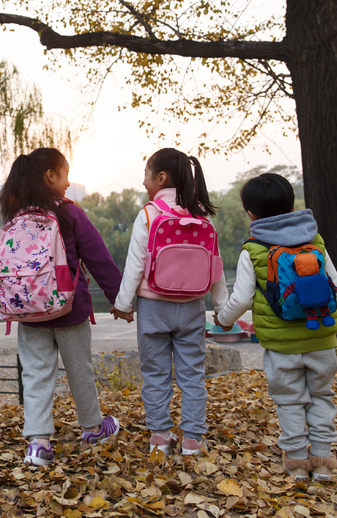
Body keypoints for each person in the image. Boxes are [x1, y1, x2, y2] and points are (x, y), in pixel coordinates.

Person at [213, 173, 337, 483]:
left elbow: (240, 298)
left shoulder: (253, 250)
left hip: (280, 345)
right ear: (292, 205)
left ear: (251, 213)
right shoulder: (314, 242)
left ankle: (296, 460)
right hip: (321, 336)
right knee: (321, 395)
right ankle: (321, 459)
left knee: (290, 399)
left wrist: (223, 319)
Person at [0, 147, 123, 466]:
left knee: (36, 373)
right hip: (70, 308)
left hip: (27, 311)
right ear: (50, 176)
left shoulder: (14, 214)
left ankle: (38, 443)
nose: (68, 183)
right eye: (65, 174)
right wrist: (120, 299)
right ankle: (93, 428)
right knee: (80, 368)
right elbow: (98, 258)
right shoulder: (68, 212)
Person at [111, 148, 229, 456]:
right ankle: (192, 438)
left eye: (146, 175)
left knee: (155, 374)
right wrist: (222, 307)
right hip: (192, 307)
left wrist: (123, 304)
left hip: (153, 307)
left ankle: (160, 437)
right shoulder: (202, 215)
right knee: (193, 373)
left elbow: (135, 264)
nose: (144, 182)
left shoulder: (149, 214)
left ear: (161, 178)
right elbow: (214, 265)